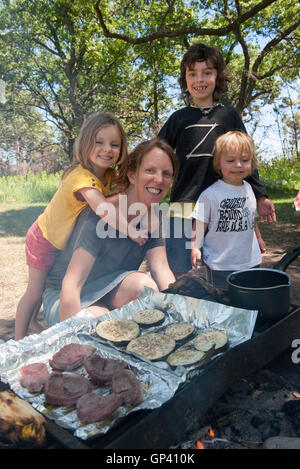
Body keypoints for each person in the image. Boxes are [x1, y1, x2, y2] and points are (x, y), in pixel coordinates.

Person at [14, 111, 145, 340]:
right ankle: (18, 338)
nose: (107, 149)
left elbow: (121, 192)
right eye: (99, 142)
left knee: (44, 287)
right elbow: (103, 209)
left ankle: (34, 324)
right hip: (44, 238)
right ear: (85, 144)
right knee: (35, 292)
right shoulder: (81, 177)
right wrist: (130, 229)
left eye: (114, 144)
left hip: (62, 239)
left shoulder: (107, 175)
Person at [158, 42, 275, 276]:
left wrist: (260, 195)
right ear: (185, 79)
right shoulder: (178, 118)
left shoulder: (229, 116)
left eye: (207, 72)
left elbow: (245, 157)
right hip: (183, 207)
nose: (199, 79)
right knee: (179, 270)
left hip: (222, 207)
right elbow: (156, 155)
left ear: (217, 77)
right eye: (192, 74)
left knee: (220, 271)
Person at [41, 138, 178, 325]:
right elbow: (71, 285)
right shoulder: (102, 213)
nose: (159, 180)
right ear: (132, 175)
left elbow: (161, 270)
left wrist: (181, 309)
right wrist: (72, 334)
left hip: (111, 287)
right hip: (63, 295)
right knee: (100, 321)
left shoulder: (154, 216)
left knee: (145, 287)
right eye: (150, 170)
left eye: (167, 174)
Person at [190, 131, 264, 290]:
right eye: (230, 160)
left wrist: (259, 238)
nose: (238, 165)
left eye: (244, 160)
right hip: (220, 264)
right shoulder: (209, 194)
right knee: (222, 300)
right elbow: (199, 224)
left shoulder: (250, 189)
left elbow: (251, 218)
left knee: (250, 298)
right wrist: (195, 247)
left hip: (250, 260)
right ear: (218, 164)